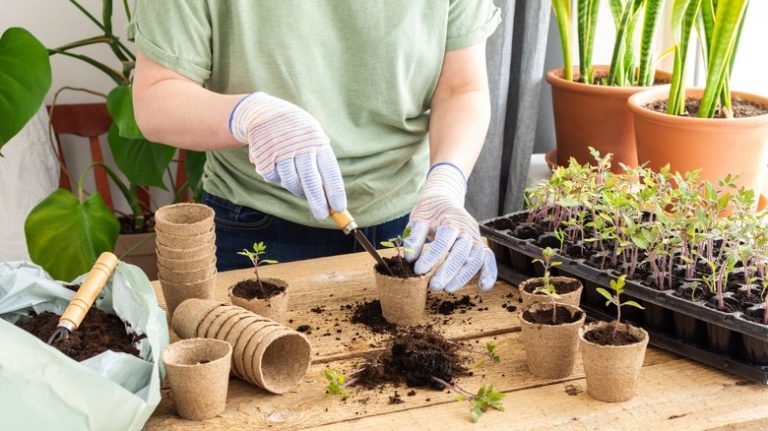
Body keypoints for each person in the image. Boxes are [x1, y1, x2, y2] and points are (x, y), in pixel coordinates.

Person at [130, 1, 500, 293]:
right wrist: (250, 114)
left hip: (412, 221)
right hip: (258, 224)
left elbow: (460, 87)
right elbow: (155, 97)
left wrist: (447, 182)